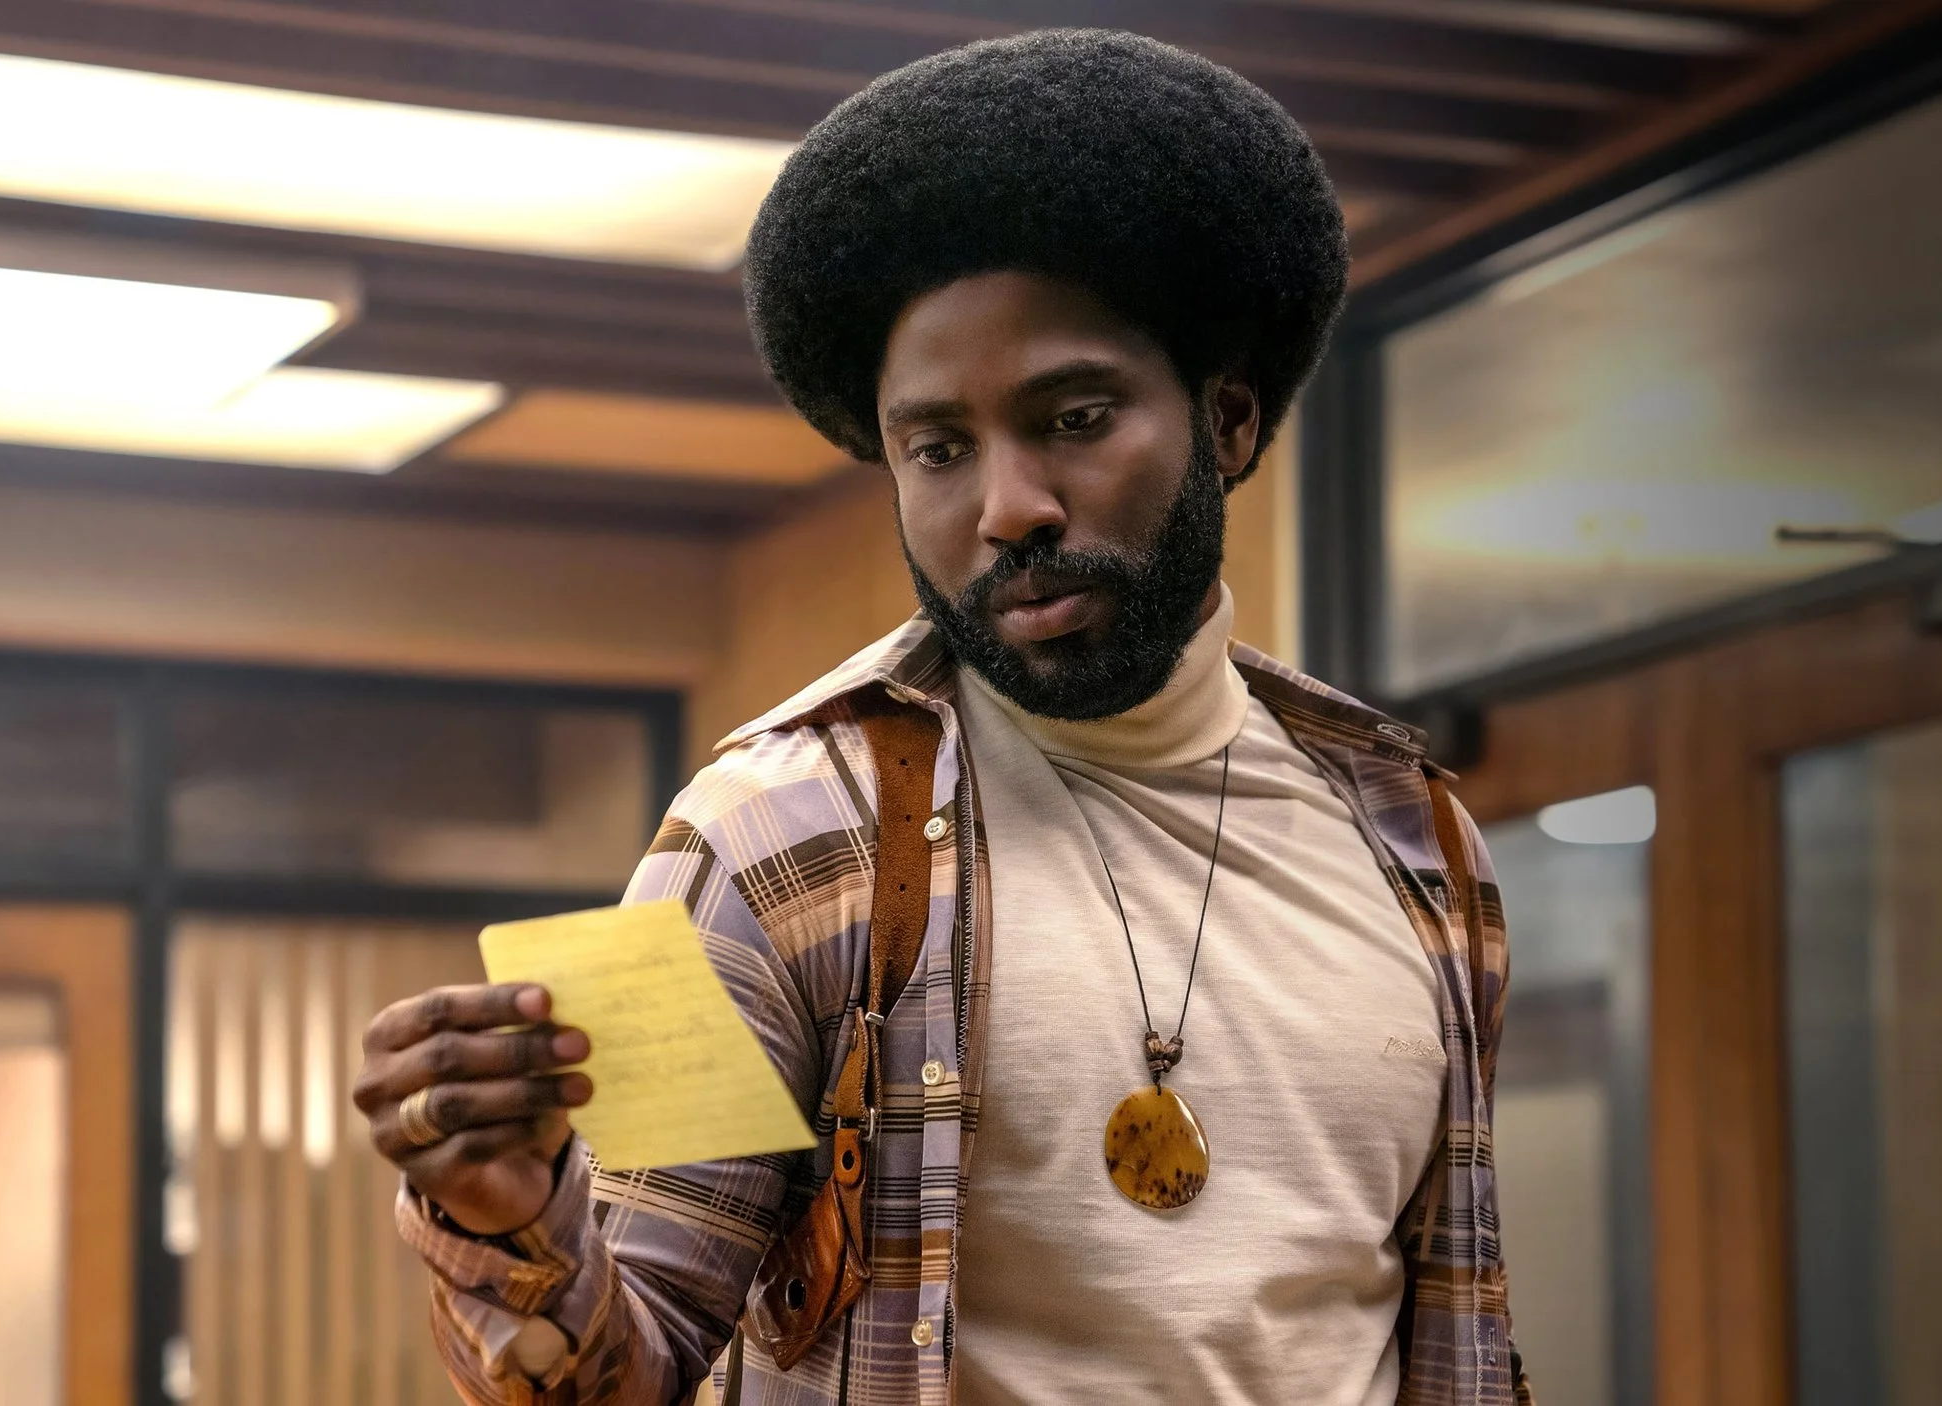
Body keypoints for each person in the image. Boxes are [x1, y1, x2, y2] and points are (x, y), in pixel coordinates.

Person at [353, 29, 1526, 1406]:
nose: (1009, 507)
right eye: (940, 449)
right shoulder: (771, 839)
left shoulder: (1413, 840)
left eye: (1074, 417)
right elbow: (621, 1373)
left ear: (1225, 420)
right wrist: (515, 1222)